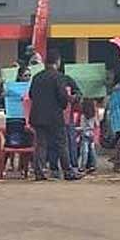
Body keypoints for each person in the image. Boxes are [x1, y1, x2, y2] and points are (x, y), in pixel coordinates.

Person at [29, 49, 78, 181]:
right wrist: (67, 102)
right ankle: (68, 172)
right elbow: (62, 97)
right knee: (61, 143)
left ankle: (39, 172)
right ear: (58, 62)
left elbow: (31, 95)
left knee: (41, 144)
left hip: (38, 116)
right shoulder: (58, 77)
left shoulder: (37, 77)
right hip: (54, 116)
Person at [76, 98, 99, 172]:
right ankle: (93, 165)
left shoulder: (83, 116)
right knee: (92, 150)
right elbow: (97, 124)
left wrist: (76, 129)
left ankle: (83, 166)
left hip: (85, 134)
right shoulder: (93, 115)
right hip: (91, 134)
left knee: (84, 151)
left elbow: (82, 127)